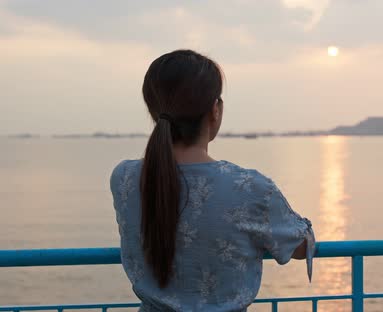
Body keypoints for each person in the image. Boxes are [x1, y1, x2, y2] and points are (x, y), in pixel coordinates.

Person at [109, 49, 315, 311]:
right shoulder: (249, 188)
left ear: (153, 109)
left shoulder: (124, 179)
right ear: (215, 111)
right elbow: (299, 245)